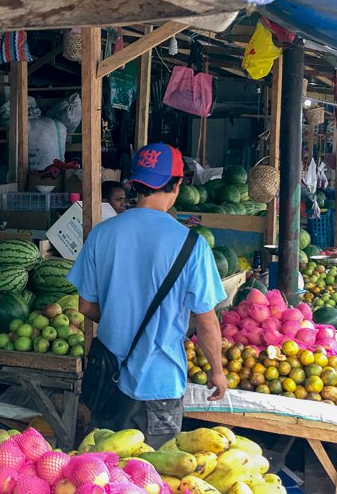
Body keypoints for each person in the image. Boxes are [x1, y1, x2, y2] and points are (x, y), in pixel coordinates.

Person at [68, 143, 227, 447]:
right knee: (155, 475)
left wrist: (120, 316)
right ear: (179, 184)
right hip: (162, 384)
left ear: (135, 184)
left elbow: (85, 306)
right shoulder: (192, 245)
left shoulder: (102, 234)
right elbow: (206, 321)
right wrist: (216, 371)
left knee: (105, 471)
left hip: (109, 380)